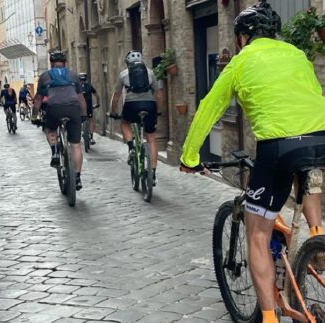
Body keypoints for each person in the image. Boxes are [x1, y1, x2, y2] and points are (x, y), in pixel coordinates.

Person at [179, 2, 325, 322]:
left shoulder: (240, 61)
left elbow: (208, 109)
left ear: (243, 37)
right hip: (320, 138)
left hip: (278, 148)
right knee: (306, 187)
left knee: (257, 233)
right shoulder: (297, 55)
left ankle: (270, 318)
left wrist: (190, 158)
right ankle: (313, 248)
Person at [31, 50, 87, 190]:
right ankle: (78, 178)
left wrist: (34, 116)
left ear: (51, 63)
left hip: (54, 109)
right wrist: (84, 114)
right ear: (65, 63)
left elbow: (38, 99)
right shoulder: (73, 75)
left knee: (50, 129)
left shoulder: (45, 76)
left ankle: (55, 150)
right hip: (73, 109)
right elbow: (81, 98)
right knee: (76, 145)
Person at [109, 50, 163, 186]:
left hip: (131, 105)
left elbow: (116, 96)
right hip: (150, 105)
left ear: (128, 63)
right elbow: (159, 93)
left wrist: (113, 112)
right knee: (151, 137)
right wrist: (159, 110)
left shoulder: (123, 74)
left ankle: (132, 147)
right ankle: (153, 173)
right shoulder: (150, 72)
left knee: (125, 123)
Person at [79, 73, 100, 145]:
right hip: (88, 107)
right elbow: (97, 95)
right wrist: (97, 103)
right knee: (91, 120)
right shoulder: (89, 86)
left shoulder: (76, 87)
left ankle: (78, 134)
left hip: (79, 108)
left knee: (77, 120)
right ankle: (91, 137)